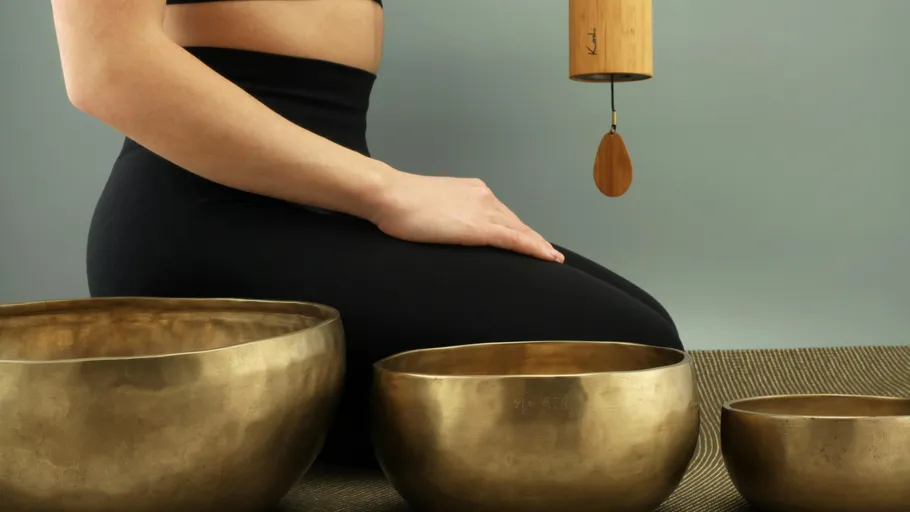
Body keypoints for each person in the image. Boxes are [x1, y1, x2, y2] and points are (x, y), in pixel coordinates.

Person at [51, 0, 683, 468]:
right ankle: (201, 422)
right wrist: (389, 190)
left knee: (647, 341)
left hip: (322, 212)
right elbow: (107, 65)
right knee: (628, 352)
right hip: (208, 224)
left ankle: (254, 425)